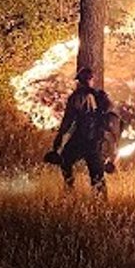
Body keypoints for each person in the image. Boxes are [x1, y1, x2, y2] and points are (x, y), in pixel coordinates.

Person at [47, 66, 111, 194]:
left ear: (79, 81)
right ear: (91, 79)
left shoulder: (76, 97)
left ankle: (69, 189)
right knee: (97, 173)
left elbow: (68, 121)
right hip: (95, 140)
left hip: (81, 138)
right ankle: (101, 202)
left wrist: (58, 143)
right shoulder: (99, 96)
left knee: (65, 159)